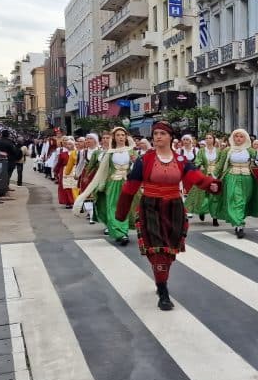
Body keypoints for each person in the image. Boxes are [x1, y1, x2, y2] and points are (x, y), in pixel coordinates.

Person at [115, 121, 221, 310]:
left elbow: (195, 176)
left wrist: (210, 184)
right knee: (157, 249)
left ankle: (161, 278)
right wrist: (122, 213)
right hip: (150, 207)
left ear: (170, 137)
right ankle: (163, 290)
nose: (157, 137)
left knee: (169, 249)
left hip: (174, 208)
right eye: (155, 133)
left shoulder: (180, 160)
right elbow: (130, 186)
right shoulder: (145, 159)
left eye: (162, 134)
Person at [76, 127, 138, 245]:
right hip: (113, 184)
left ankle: (123, 232)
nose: (120, 137)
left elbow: (139, 169)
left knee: (125, 208)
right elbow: (103, 171)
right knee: (112, 208)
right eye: (118, 135)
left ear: (126, 137)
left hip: (127, 183)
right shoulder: (109, 153)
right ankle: (119, 233)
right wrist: (99, 184)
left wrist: (135, 162)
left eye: (122, 135)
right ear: (114, 138)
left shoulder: (132, 151)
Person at [216, 128, 258, 238]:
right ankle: (239, 224)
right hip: (231, 177)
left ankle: (239, 222)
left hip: (246, 178)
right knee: (234, 199)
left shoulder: (250, 150)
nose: (238, 138)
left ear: (245, 138)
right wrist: (212, 178)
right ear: (233, 138)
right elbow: (220, 166)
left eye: (241, 136)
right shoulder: (227, 150)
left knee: (243, 201)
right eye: (236, 136)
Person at [185, 132, 225, 227]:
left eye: (210, 138)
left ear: (213, 140)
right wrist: (199, 165)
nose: (208, 139)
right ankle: (201, 211)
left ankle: (215, 217)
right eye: (206, 138)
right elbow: (198, 160)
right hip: (204, 175)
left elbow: (221, 162)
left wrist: (216, 172)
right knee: (203, 195)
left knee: (214, 196)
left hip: (215, 176)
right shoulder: (202, 151)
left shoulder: (219, 151)